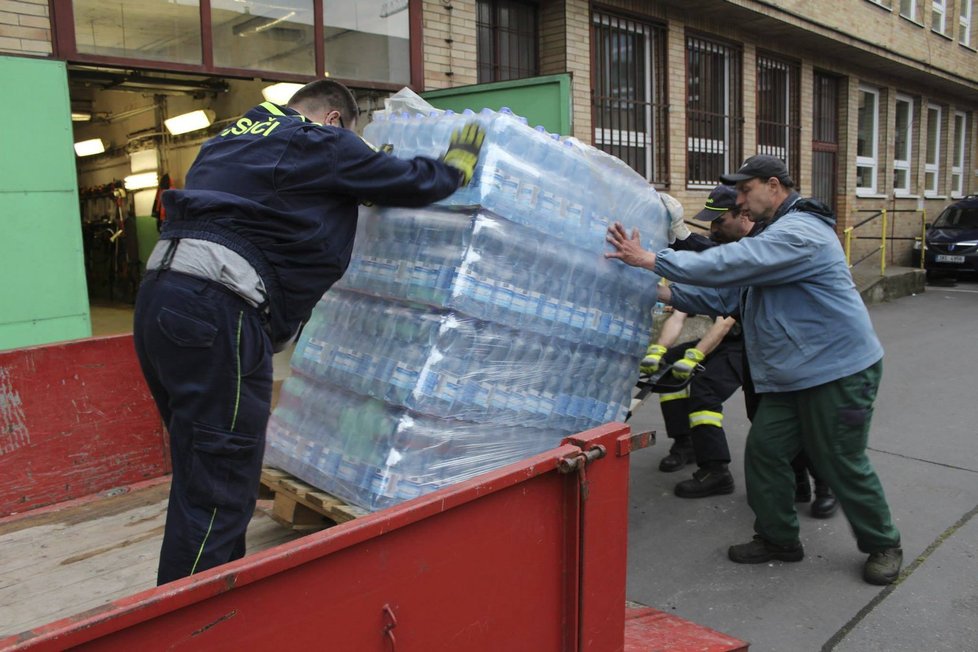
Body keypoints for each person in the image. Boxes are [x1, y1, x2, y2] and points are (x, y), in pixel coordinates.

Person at [133, 79, 484, 585]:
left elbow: (270, 206)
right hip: (218, 311)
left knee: (203, 470)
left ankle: (207, 603)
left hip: (163, 300)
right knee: (219, 482)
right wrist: (452, 169)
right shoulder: (318, 140)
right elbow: (411, 181)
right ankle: (194, 628)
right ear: (335, 119)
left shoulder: (232, 137)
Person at [606, 155, 903, 585]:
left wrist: (653, 259)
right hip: (791, 375)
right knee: (766, 453)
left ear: (773, 185)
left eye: (745, 191)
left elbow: (729, 265)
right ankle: (779, 538)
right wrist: (654, 289)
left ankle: (884, 543)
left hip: (838, 371)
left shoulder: (800, 232)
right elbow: (728, 297)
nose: (740, 202)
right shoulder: (774, 234)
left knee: (841, 459)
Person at [641, 187, 754, 498]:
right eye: (711, 223)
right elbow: (679, 312)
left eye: (720, 221)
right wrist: (659, 351)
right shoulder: (718, 253)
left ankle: (717, 471)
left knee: (704, 392)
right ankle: (685, 443)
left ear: (742, 216)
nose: (714, 229)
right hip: (721, 339)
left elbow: (726, 320)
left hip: (741, 344)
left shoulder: (750, 254)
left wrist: (693, 356)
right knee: (665, 370)